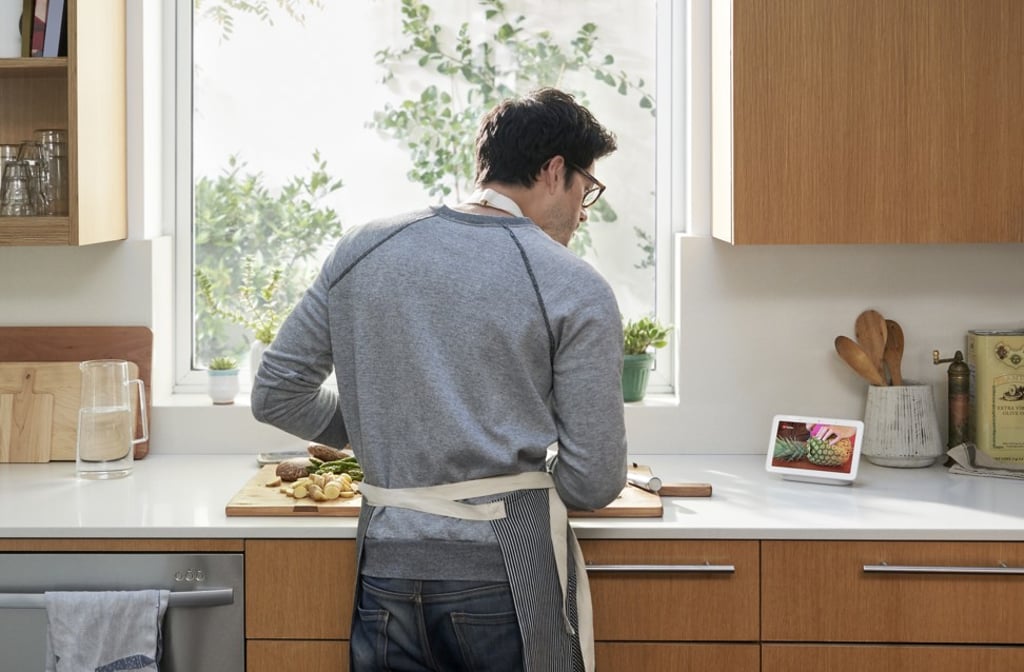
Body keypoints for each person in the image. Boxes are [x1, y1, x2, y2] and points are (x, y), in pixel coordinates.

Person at [251, 87, 627, 672]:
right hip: (504, 576)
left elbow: (278, 393)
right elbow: (594, 479)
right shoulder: (572, 284)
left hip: (385, 571)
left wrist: (387, 424)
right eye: (587, 190)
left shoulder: (363, 247)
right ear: (556, 172)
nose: (584, 210)